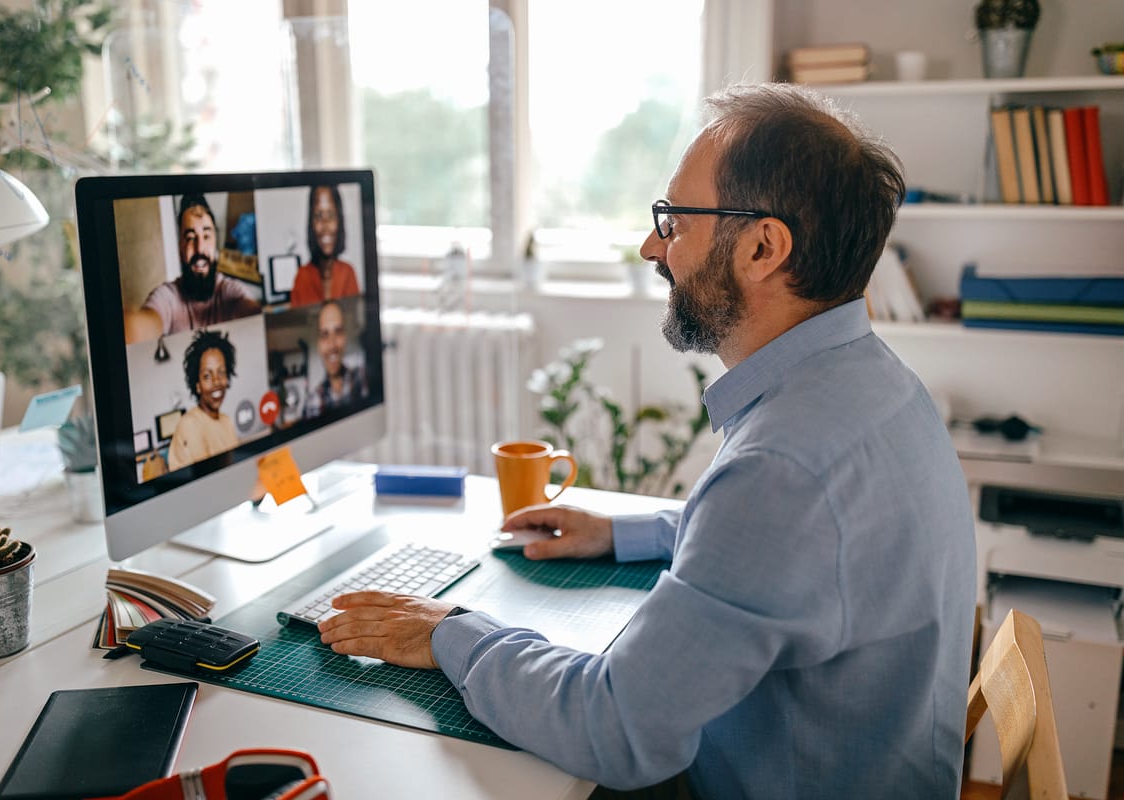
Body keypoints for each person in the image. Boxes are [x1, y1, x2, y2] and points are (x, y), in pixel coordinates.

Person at [316, 83, 976, 799]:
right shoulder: (877, 387)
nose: (651, 246)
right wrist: (624, 532)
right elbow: (797, 550)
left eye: (675, 221)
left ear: (762, 247)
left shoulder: (782, 470)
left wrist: (451, 632)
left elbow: (615, 730)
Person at [125, 194, 261, 342]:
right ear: (180, 249)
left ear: (216, 244)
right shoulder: (167, 297)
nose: (200, 248)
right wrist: (131, 326)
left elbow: (252, 313)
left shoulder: (231, 291)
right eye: (190, 238)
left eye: (207, 236)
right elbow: (144, 325)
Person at [167, 329, 240, 471]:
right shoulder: (190, 424)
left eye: (221, 372)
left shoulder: (226, 421)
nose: (216, 381)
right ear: (197, 386)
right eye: (207, 376)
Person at [290, 184, 360, 306]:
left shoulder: (347, 273)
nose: (325, 224)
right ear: (311, 224)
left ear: (339, 221)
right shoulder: (302, 277)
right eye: (318, 216)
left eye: (331, 215)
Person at [305, 300, 367, 416]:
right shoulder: (312, 402)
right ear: (318, 344)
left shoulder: (364, 379)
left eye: (338, 332)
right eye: (325, 335)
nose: (332, 345)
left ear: (345, 337)